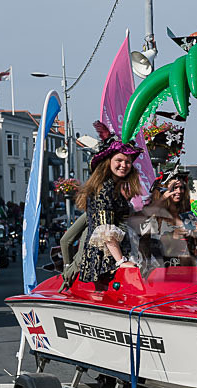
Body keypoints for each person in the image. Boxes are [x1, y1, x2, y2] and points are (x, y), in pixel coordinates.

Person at [76, 121, 143, 288]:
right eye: (119, 160)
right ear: (108, 161)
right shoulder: (103, 189)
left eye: (128, 161)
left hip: (113, 258)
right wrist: (121, 261)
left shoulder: (113, 187)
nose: (124, 165)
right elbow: (105, 230)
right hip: (105, 262)